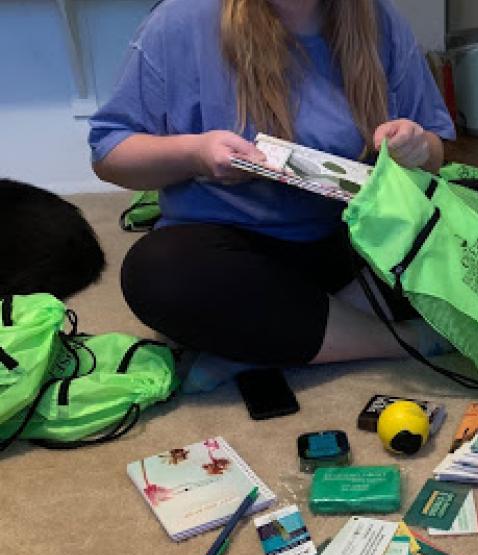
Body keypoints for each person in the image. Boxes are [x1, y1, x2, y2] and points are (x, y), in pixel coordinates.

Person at [89, 0, 456, 390]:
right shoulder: (179, 20)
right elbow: (110, 152)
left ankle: (265, 343)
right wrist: (195, 154)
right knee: (157, 271)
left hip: (351, 242)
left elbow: (435, 152)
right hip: (232, 256)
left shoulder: (379, 19)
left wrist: (418, 147)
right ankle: (399, 341)